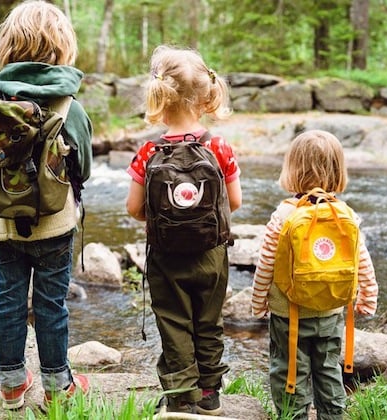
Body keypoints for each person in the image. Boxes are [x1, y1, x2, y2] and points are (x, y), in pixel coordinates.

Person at [0, 0, 92, 411]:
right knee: (51, 304)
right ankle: (58, 386)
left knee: (7, 300)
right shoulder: (69, 106)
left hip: (3, 222)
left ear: (8, 46)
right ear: (62, 48)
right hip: (55, 223)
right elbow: (85, 168)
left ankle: (10, 383)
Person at [126, 45, 242, 416]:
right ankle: (210, 394)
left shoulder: (148, 152)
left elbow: (133, 209)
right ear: (207, 97)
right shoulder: (219, 147)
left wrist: (168, 218)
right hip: (212, 252)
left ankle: (181, 396)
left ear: (160, 97)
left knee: (174, 323)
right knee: (209, 321)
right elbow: (234, 202)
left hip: (165, 256)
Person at [251, 129, 378, 419]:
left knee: (289, 372)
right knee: (329, 370)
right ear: (338, 171)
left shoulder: (283, 215)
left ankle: (292, 415)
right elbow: (362, 262)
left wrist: (259, 302)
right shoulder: (345, 213)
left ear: (292, 169)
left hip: (289, 314)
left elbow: (266, 264)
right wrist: (368, 297)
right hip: (331, 311)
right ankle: (332, 415)